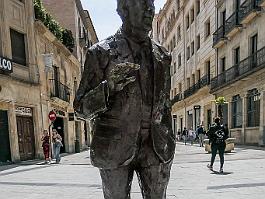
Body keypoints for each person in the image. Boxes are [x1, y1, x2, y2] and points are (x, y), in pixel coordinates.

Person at [73, 0, 176, 198]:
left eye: (152, 5)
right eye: (143, 4)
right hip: (114, 147)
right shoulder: (101, 53)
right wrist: (107, 87)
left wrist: (168, 138)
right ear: (123, 9)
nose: (149, 10)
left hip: (156, 147)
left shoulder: (163, 56)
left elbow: (165, 104)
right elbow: (80, 109)